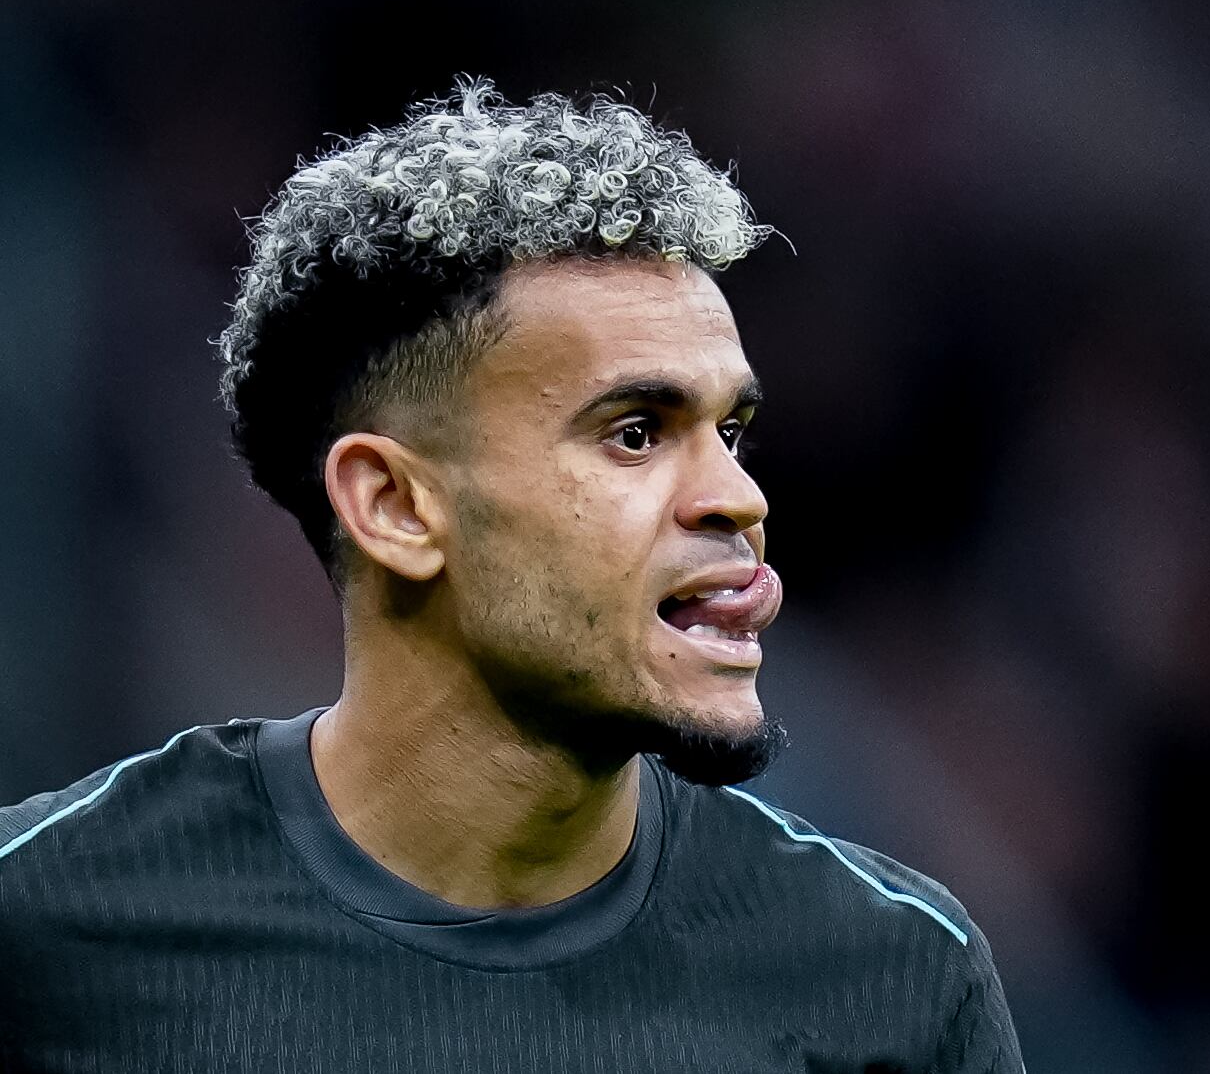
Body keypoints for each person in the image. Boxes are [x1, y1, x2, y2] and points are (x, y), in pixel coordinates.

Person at [0, 79, 1022, 1072]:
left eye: (731, 432)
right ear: (396, 507)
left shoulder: (895, 980)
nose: (737, 498)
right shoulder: (44, 925)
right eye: (634, 433)